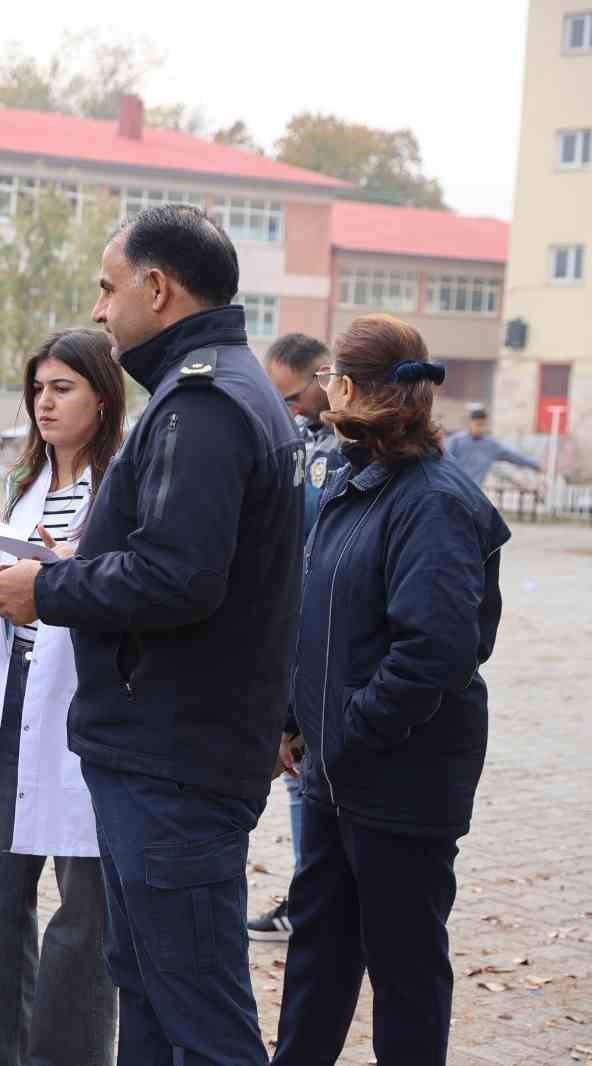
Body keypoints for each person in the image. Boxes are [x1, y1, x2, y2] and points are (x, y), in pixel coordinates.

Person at [0, 203, 306, 1066]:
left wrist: (51, 586)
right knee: (153, 991)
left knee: (200, 1010)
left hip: (178, 762)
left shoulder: (203, 401)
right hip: (167, 749)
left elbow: (176, 576)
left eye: (108, 287)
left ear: (157, 288)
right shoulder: (208, 390)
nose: (99, 309)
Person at [272, 315, 509, 1066]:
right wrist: (293, 718)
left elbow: (435, 651)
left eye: (326, 380)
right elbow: (316, 614)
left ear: (343, 387)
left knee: (403, 969)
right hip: (336, 771)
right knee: (319, 951)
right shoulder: (353, 482)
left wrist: (346, 731)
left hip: (400, 778)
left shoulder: (432, 502)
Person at [0, 329, 124, 1066]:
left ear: (102, 397)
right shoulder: (24, 483)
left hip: (85, 709)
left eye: (63, 388)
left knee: (84, 911)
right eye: (38, 389)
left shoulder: (122, 487)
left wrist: (61, 580)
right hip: (13, 695)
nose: (45, 403)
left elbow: (129, 584)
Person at [251, 331, 347, 943]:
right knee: (298, 776)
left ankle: (317, 898)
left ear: (322, 377)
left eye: (290, 396)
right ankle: (311, 893)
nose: (284, 409)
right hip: (295, 634)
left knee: (317, 775)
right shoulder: (305, 442)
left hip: (332, 638)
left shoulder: (345, 450)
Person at [445, 402, 542, 487]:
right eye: (477, 424)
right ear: (470, 423)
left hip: (475, 493)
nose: (480, 428)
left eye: (483, 424)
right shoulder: (457, 441)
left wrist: (535, 465)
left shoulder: (491, 445)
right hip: (455, 489)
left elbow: (513, 456)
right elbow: (444, 461)